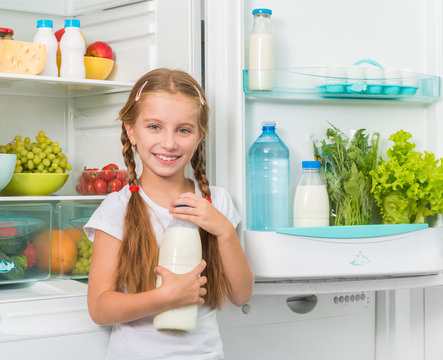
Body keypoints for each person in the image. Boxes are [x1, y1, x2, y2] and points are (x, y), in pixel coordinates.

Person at [85, 68, 254, 359]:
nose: (169, 143)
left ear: (200, 135)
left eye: (183, 129)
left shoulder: (217, 201)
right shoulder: (117, 208)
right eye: (154, 127)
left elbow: (241, 295)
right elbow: (100, 308)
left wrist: (224, 230)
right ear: (131, 131)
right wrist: (166, 297)